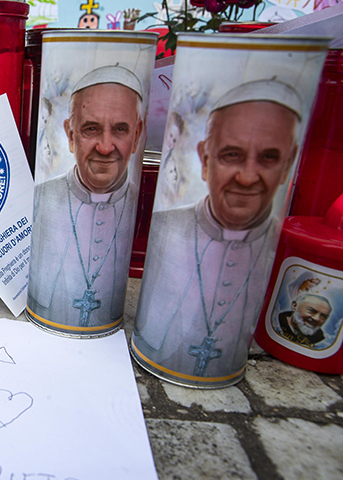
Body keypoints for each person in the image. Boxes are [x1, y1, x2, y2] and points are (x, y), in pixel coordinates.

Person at [132, 79, 303, 381]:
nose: (247, 177)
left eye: (269, 158)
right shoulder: (166, 226)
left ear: (287, 165)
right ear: (205, 158)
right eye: (231, 155)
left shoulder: (286, 247)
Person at [27, 65, 144, 332]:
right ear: (71, 135)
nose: (105, 147)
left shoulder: (142, 205)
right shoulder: (42, 197)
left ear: (137, 135)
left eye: (120, 129)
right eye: (91, 129)